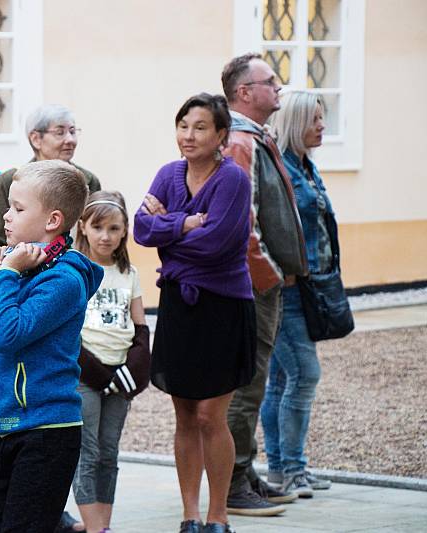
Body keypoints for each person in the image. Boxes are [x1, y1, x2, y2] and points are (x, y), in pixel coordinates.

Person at [134, 93, 255, 533]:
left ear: (221, 135)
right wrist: (184, 223)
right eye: (183, 125)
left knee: (209, 415)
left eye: (200, 127)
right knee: (184, 413)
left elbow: (219, 242)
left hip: (223, 306)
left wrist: (169, 236)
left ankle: (218, 514)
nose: (189, 135)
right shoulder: (169, 174)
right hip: (180, 308)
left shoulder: (233, 180)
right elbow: (140, 229)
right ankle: (189, 515)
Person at [0, 160, 104, 533]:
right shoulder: (21, 270)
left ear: (52, 220)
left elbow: (10, 334)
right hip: (10, 427)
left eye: (18, 208)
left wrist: (8, 274)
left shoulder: (65, 280)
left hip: (48, 432)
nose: (6, 217)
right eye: (8, 206)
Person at [220, 53, 309, 516]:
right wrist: (270, 275)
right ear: (244, 93)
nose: (278, 87)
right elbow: (244, 221)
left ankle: (245, 473)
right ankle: (233, 484)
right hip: (253, 285)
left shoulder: (253, 136)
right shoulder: (239, 141)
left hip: (260, 282)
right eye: (269, 81)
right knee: (247, 384)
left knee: (253, 383)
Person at [260, 91, 335, 497]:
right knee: (304, 374)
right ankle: (289, 469)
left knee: (282, 380)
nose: (323, 126)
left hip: (309, 287)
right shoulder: (281, 168)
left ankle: (286, 470)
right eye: (316, 120)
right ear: (296, 123)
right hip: (286, 287)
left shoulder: (306, 167)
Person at [70, 190, 151, 533]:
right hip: (85, 374)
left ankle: (103, 524)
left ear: (124, 232)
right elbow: (66, 329)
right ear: (83, 227)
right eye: (98, 227)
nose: (106, 236)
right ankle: (93, 528)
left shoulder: (128, 273)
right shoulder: (72, 269)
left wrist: (134, 366)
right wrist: (99, 373)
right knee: (87, 452)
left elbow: (140, 326)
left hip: (120, 377)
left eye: (114, 228)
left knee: (109, 452)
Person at [0, 104, 101, 258]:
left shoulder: (87, 181)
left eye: (72, 131)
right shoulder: (11, 180)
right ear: (36, 139)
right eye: (60, 132)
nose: (70, 139)